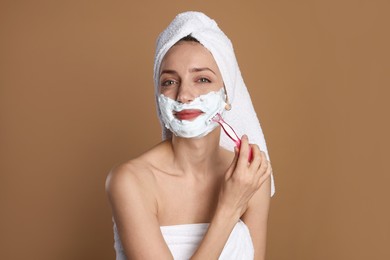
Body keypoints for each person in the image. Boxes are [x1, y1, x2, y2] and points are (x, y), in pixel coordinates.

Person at [106, 11, 276, 260]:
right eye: (169, 82)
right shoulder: (131, 181)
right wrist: (229, 209)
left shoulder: (249, 177)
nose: (184, 95)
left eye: (203, 79)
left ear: (228, 95)